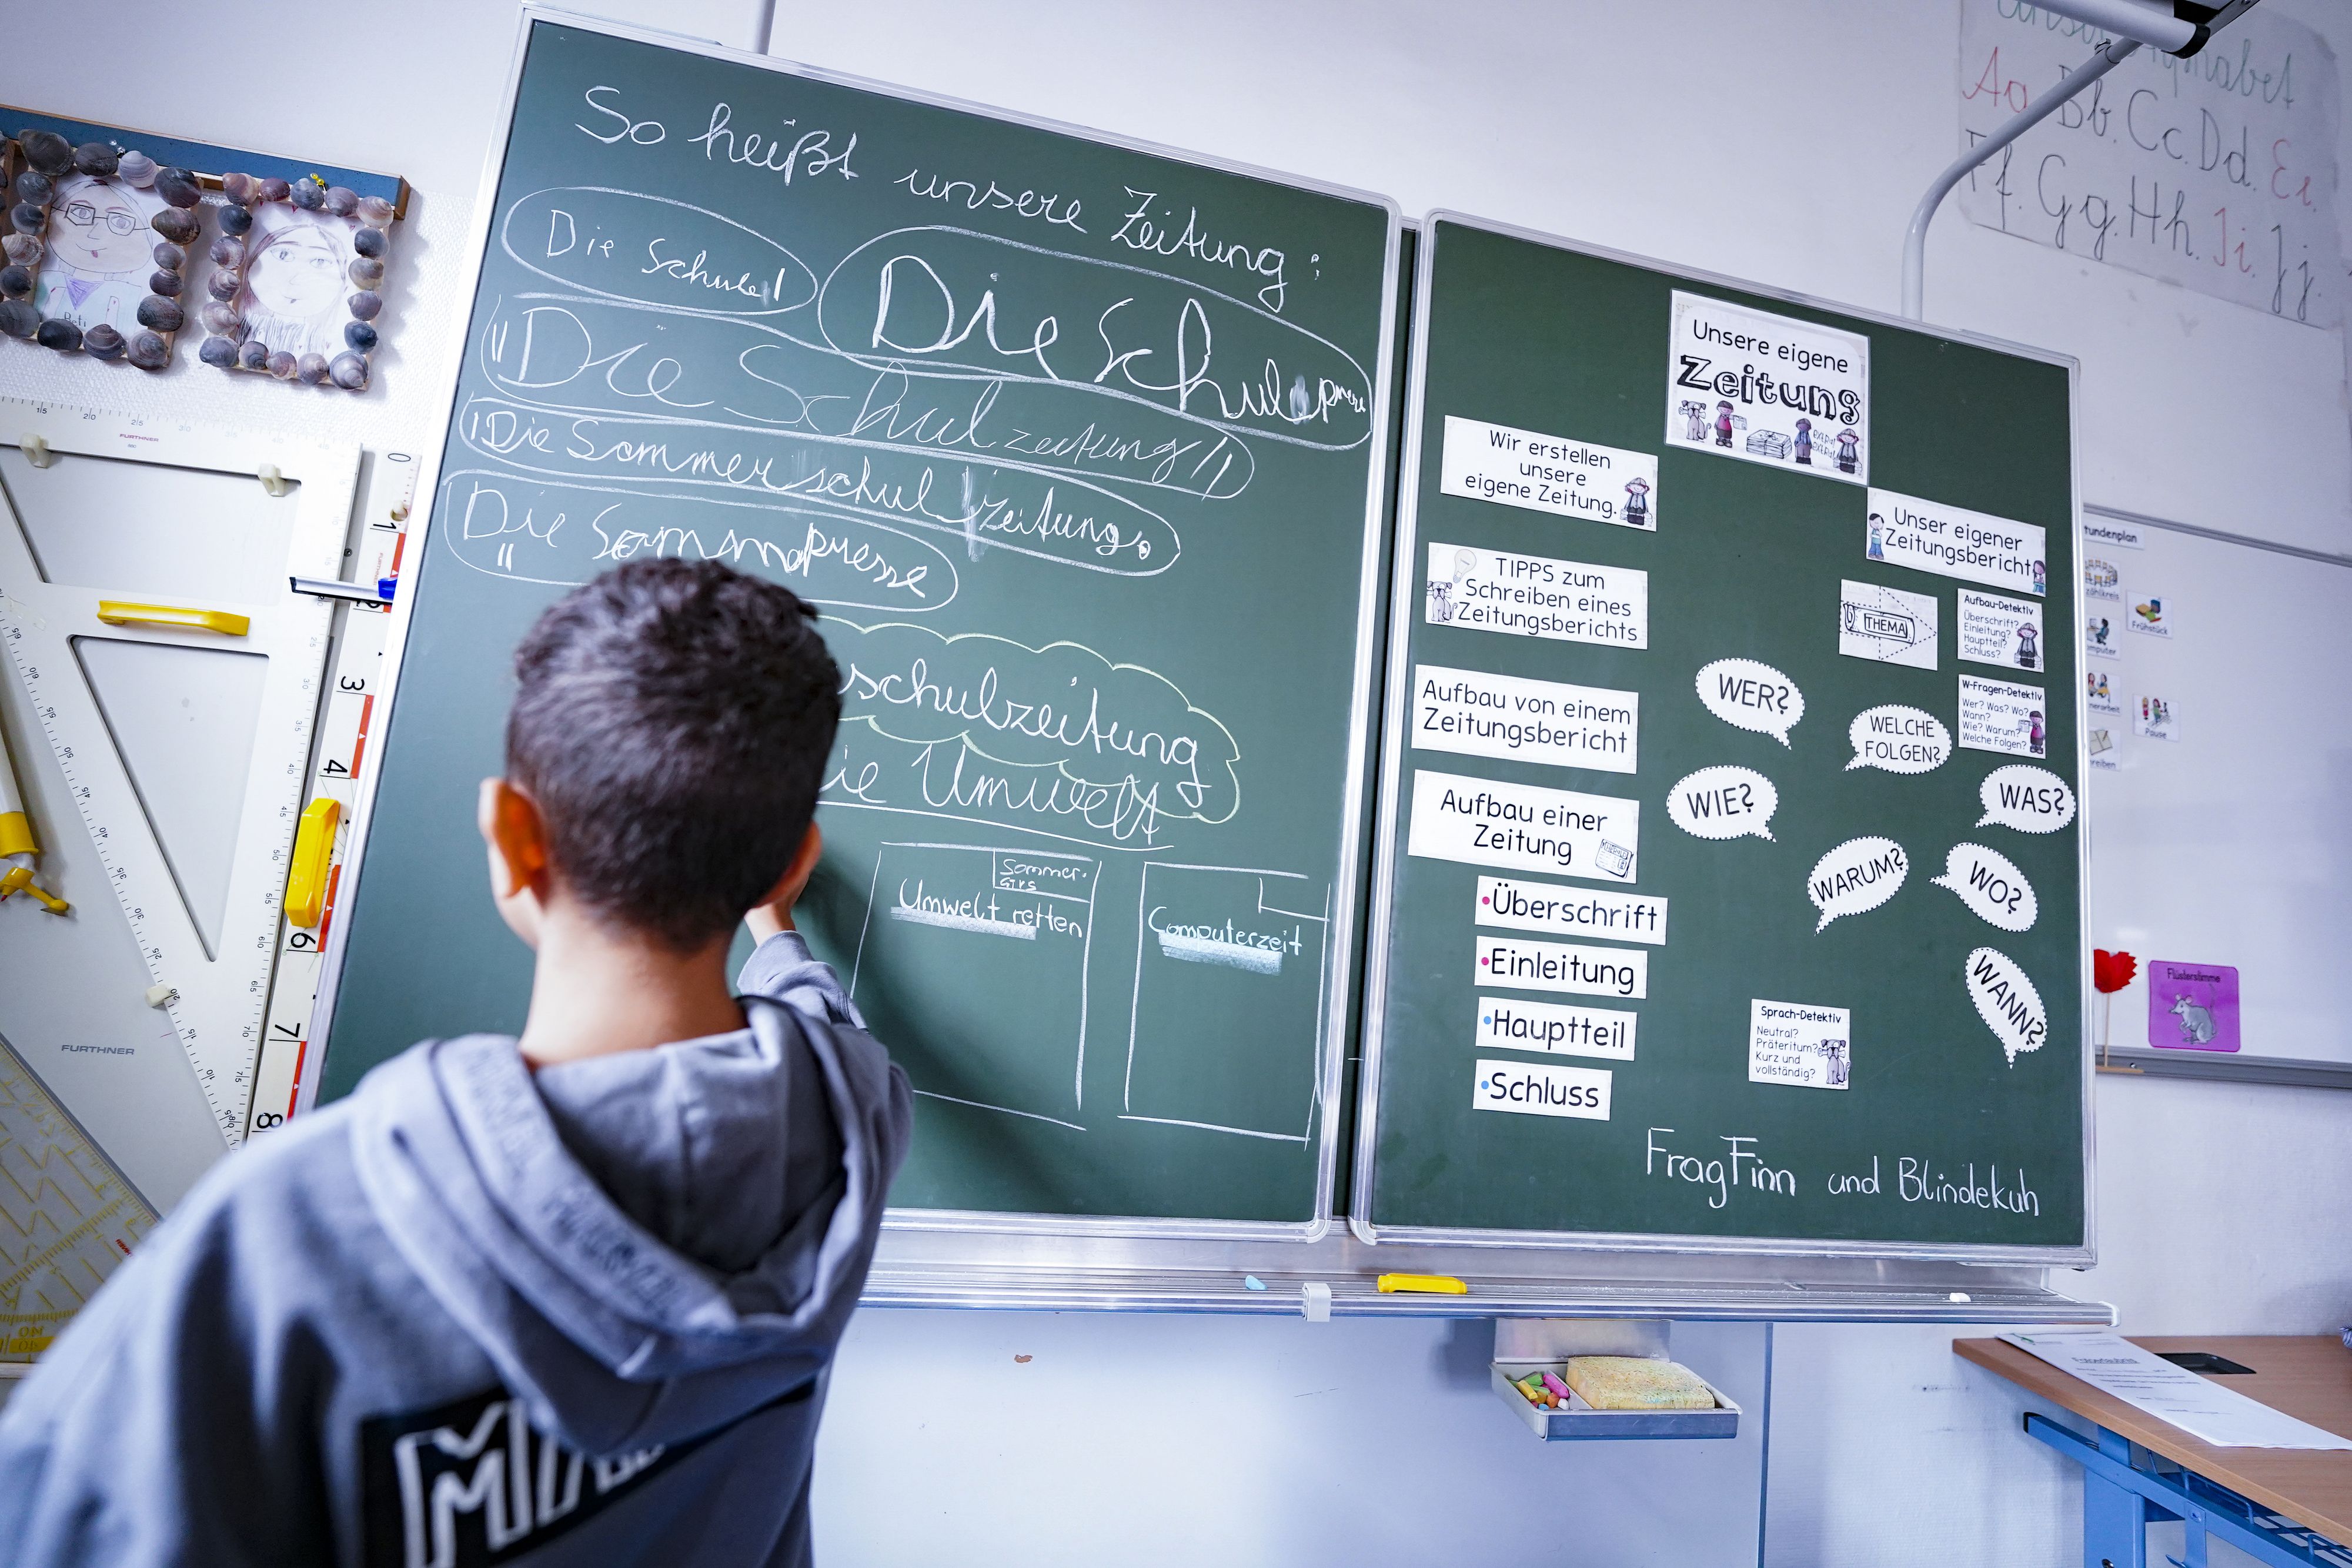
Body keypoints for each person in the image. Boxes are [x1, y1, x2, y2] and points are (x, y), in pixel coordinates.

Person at [0, 559, 911, 1567]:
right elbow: (817, 1018)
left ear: (510, 835)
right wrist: (774, 933)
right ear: (793, 861)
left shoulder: (290, 1233)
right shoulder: (849, 1118)